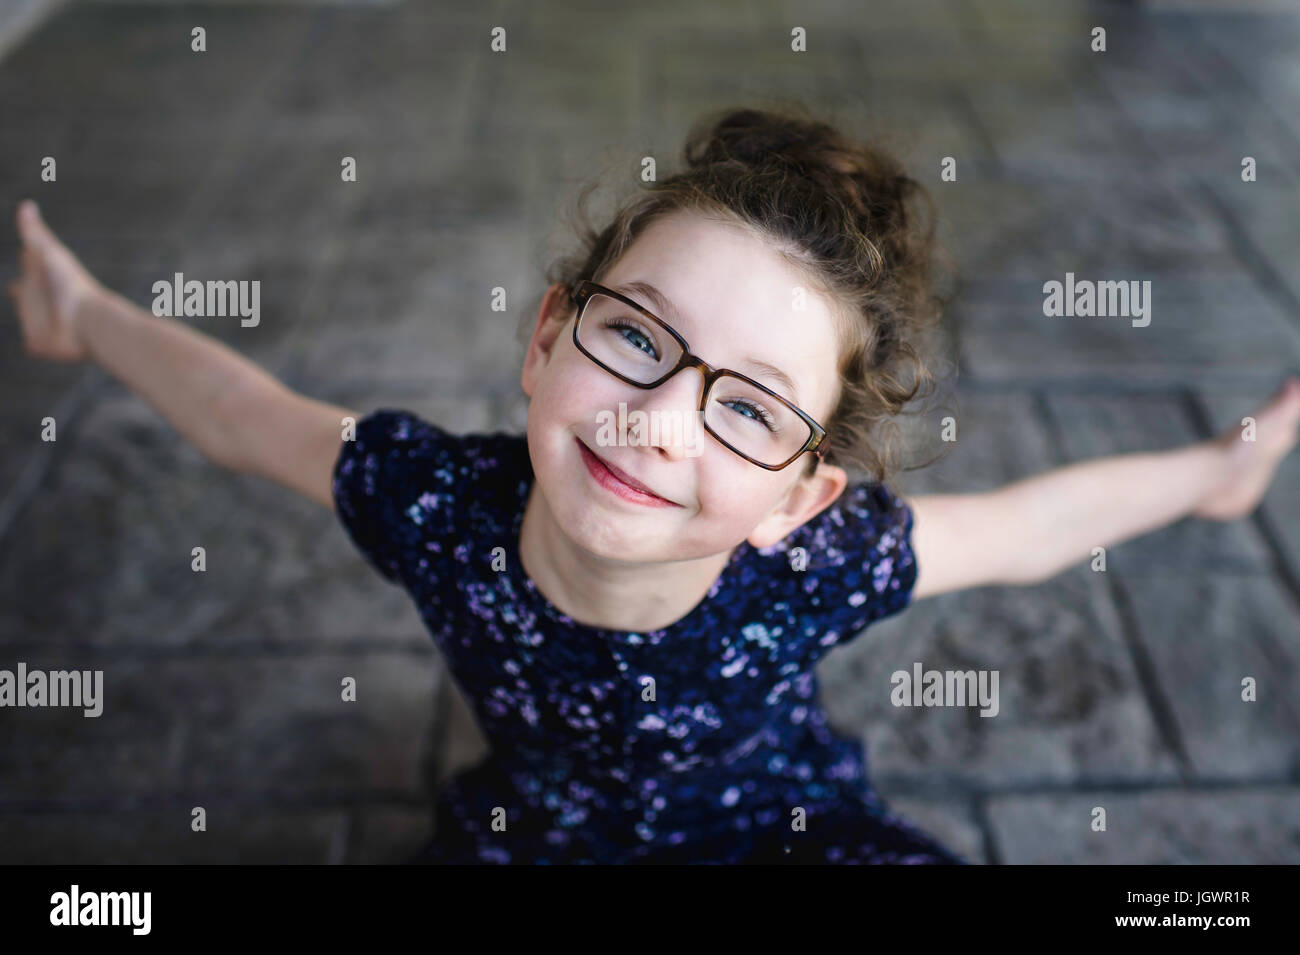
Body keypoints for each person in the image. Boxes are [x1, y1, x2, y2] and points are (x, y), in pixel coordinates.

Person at [9, 105, 1299, 865]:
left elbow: (1028, 529)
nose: (662, 419)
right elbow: (247, 419)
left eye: (747, 408)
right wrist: (91, 314)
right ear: (546, 337)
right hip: (538, 835)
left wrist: (1215, 472)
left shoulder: (819, 563)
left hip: (777, 829)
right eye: (636, 336)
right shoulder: (438, 508)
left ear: (803, 492)